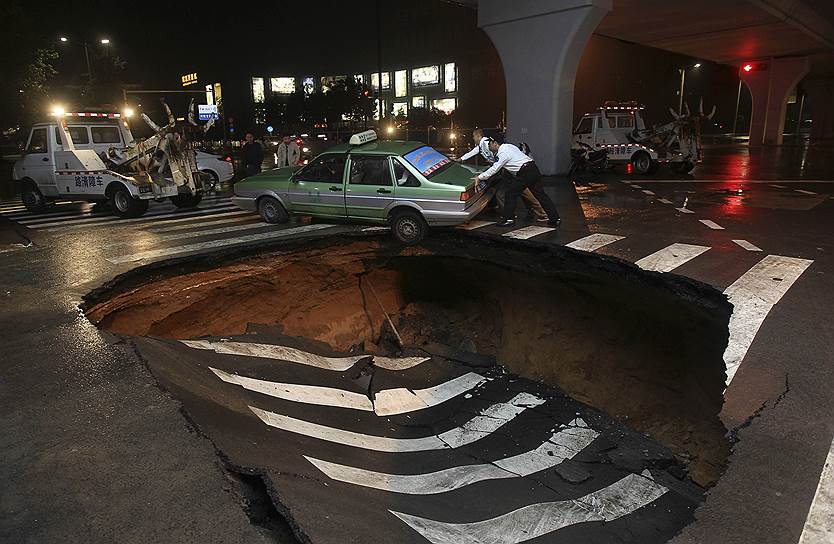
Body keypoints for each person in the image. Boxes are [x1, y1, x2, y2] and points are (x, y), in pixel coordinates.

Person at [457, 129, 547, 221]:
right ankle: (519, 212)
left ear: (478, 136)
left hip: (507, 169)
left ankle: (540, 212)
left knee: (522, 191)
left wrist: (480, 176)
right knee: (514, 191)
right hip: (505, 169)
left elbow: (497, 164)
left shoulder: (488, 144)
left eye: (473, 136)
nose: (473, 138)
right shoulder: (480, 146)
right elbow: (472, 153)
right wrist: (460, 159)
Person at [475, 138, 560, 228]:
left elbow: (495, 169)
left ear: (495, 143)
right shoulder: (509, 146)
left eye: (489, 144)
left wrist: (479, 177)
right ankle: (555, 218)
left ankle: (509, 219)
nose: (488, 147)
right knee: (541, 195)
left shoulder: (502, 153)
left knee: (510, 193)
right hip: (533, 169)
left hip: (525, 172)